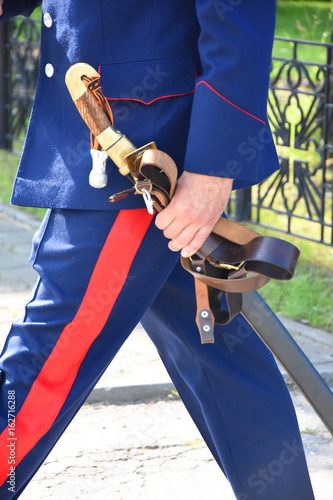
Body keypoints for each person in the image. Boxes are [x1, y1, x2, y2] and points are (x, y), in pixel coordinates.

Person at [0, 1, 315, 499]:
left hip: (141, 157)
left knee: (42, 363)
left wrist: (212, 170)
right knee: (223, 365)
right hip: (109, 136)